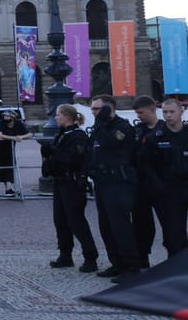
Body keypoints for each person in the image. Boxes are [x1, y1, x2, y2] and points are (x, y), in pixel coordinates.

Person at [86, 94, 142, 282]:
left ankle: (132, 266)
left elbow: (110, 143)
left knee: (120, 226)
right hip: (103, 183)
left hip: (119, 183)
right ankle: (116, 262)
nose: (93, 112)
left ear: (108, 109)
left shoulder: (122, 127)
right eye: (92, 109)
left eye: (97, 109)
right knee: (106, 226)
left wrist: (101, 124)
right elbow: (92, 149)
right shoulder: (100, 127)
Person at [43, 104, 99, 273]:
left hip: (73, 181)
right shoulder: (62, 134)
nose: (56, 118)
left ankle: (90, 256)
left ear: (67, 116)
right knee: (60, 220)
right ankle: (65, 254)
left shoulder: (78, 135)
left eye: (58, 115)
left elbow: (73, 157)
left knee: (76, 221)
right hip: (60, 181)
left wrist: (54, 152)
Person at [138, 97, 187, 259]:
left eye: (172, 112)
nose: (168, 115)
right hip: (169, 190)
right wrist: (159, 185)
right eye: (165, 112)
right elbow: (146, 165)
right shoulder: (154, 137)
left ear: (182, 111)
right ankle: (176, 266)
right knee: (174, 232)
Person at [130, 95, 164, 268]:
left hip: (162, 184)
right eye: (137, 113)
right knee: (142, 223)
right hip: (140, 185)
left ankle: (176, 258)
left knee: (170, 223)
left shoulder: (165, 129)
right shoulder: (137, 131)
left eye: (141, 112)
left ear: (152, 110)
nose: (139, 116)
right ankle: (143, 256)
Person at [0, 110, 30, 197]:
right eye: (4, 116)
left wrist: (20, 137)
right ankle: (8, 188)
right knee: (3, 167)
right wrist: (13, 138)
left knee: (11, 165)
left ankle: (9, 189)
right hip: (0, 147)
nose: (5, 118)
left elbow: (29, 134)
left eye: (7, 116)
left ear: (13, 117)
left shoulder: (18, 123)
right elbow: (0, 135)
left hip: (10, 147)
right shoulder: (1, 123)